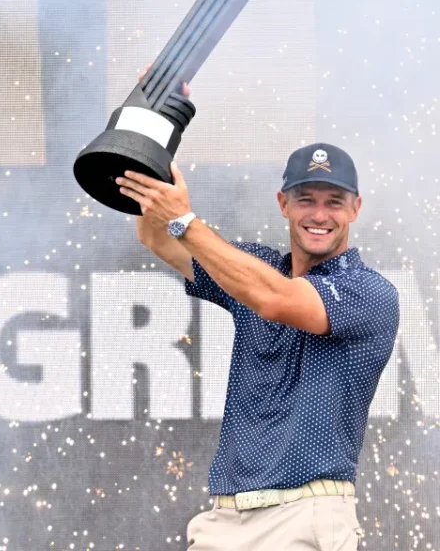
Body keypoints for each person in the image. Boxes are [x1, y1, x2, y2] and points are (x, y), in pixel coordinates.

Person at [114, 73, 400, 551]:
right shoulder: (259, 266)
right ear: (283, 204)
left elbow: (279, 301)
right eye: (306, 199)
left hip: (308, 516)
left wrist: (184, 219)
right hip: (225, 519)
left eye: (335, 202)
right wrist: (156, 133)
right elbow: (156, 237)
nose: (319, 214)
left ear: (355, 210)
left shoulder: (370, 292)